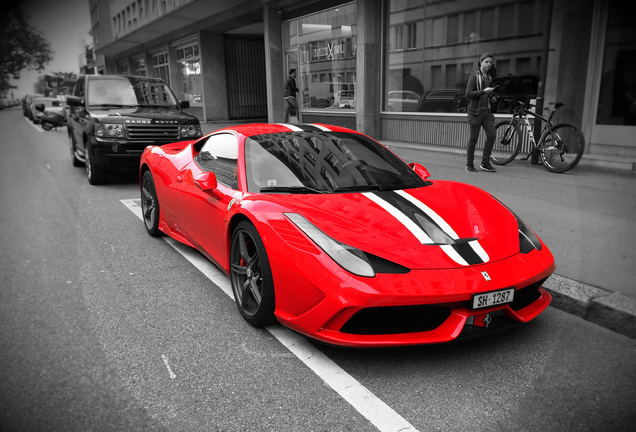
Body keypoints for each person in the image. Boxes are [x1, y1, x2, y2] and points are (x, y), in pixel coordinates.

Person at [464, 52, 499, 172]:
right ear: (481, 62)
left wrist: (491, 97)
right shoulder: (474, 76)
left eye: (491, 62)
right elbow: (468, 94)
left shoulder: (489, 78)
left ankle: (485, 163)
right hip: (475, 112)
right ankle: (469, 164)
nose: (489, 64)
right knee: (474, 138)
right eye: (487, 62)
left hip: (486, 112)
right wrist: (484, 91)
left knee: (492, 135)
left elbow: (487, 94)